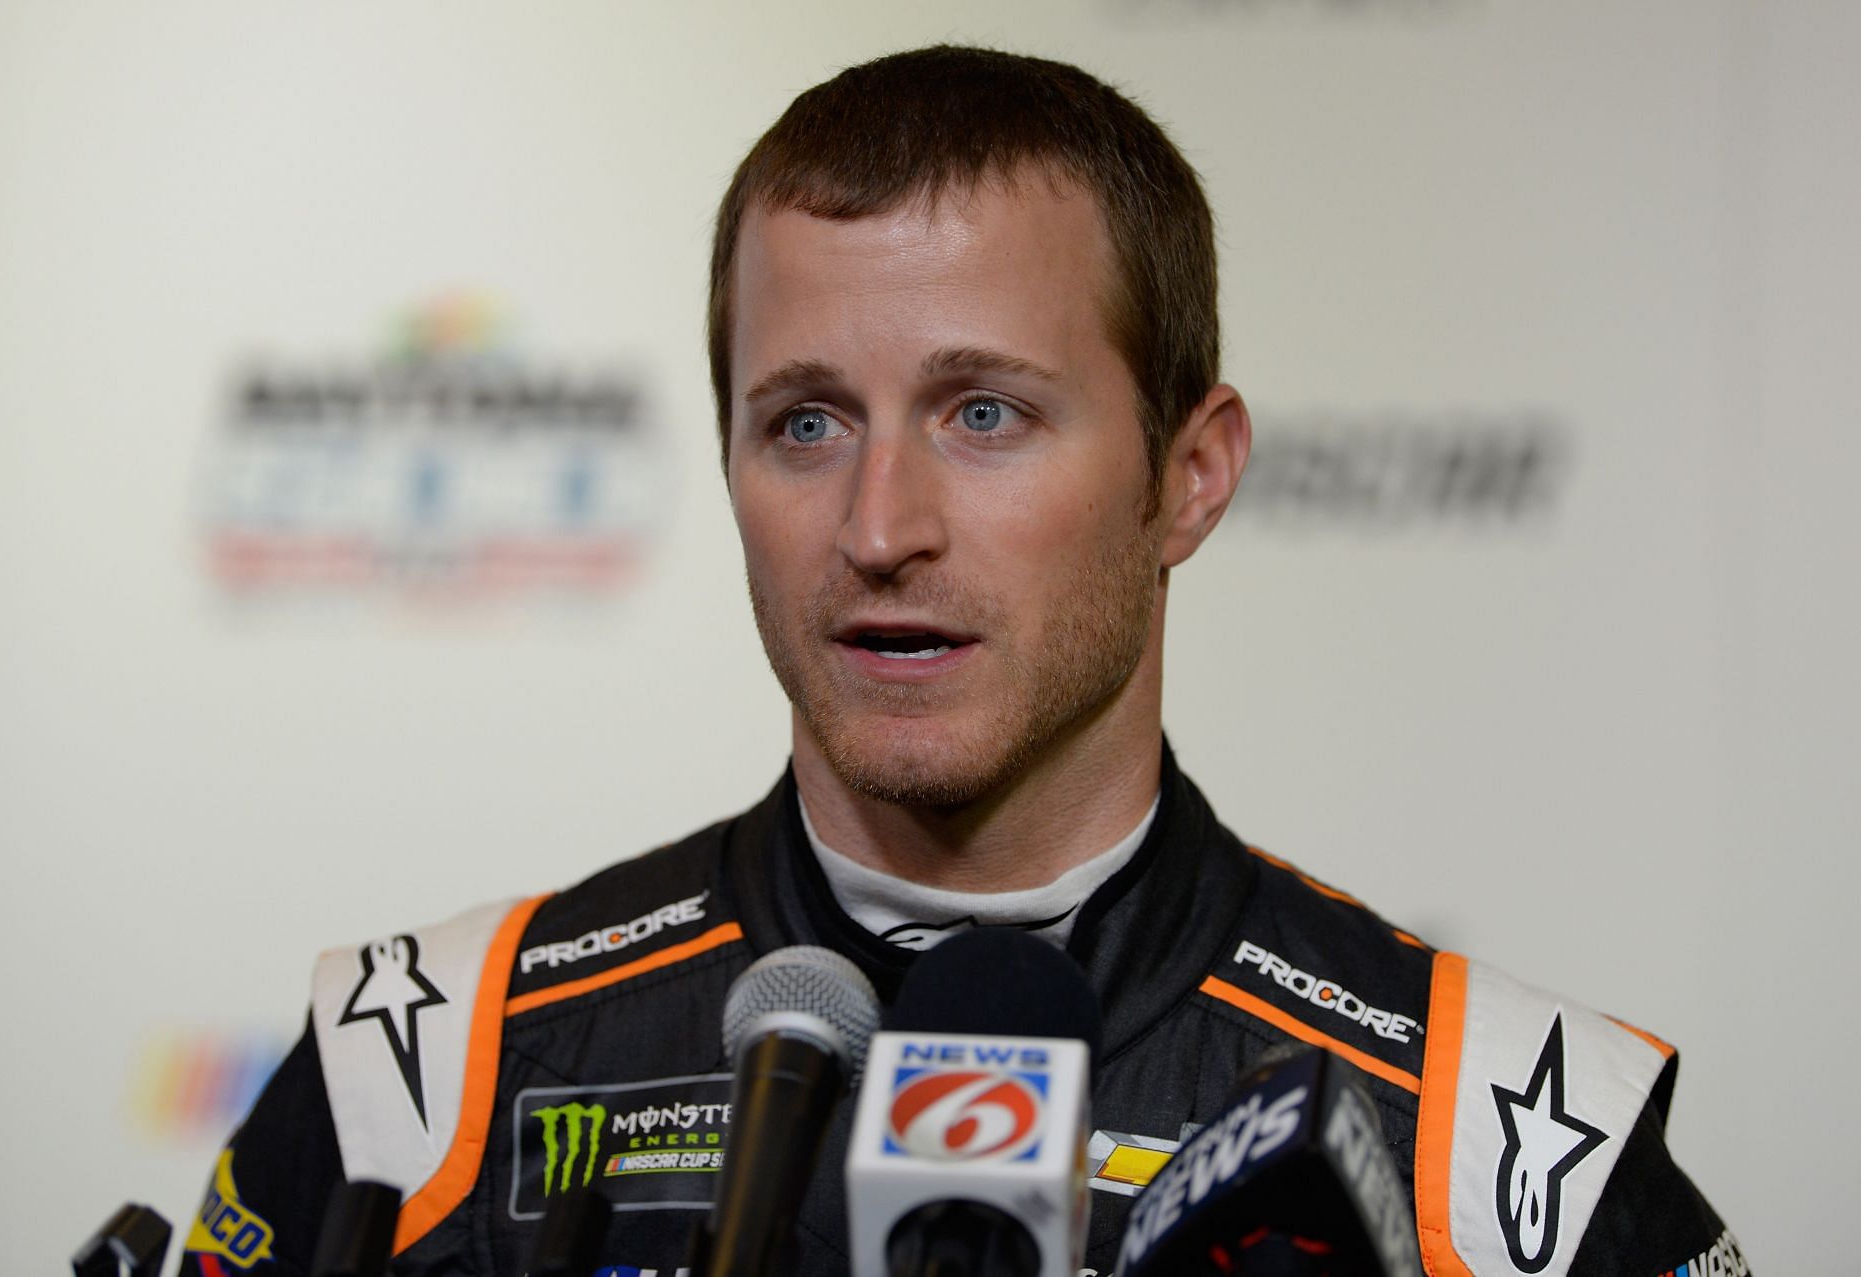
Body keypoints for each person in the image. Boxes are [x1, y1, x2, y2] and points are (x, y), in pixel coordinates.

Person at [178, 46, 1744, 1277]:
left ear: (1188, 476)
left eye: (982, 412)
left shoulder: (1510, 1146)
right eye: (806, 421)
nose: (878, 525)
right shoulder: (427, 1072)